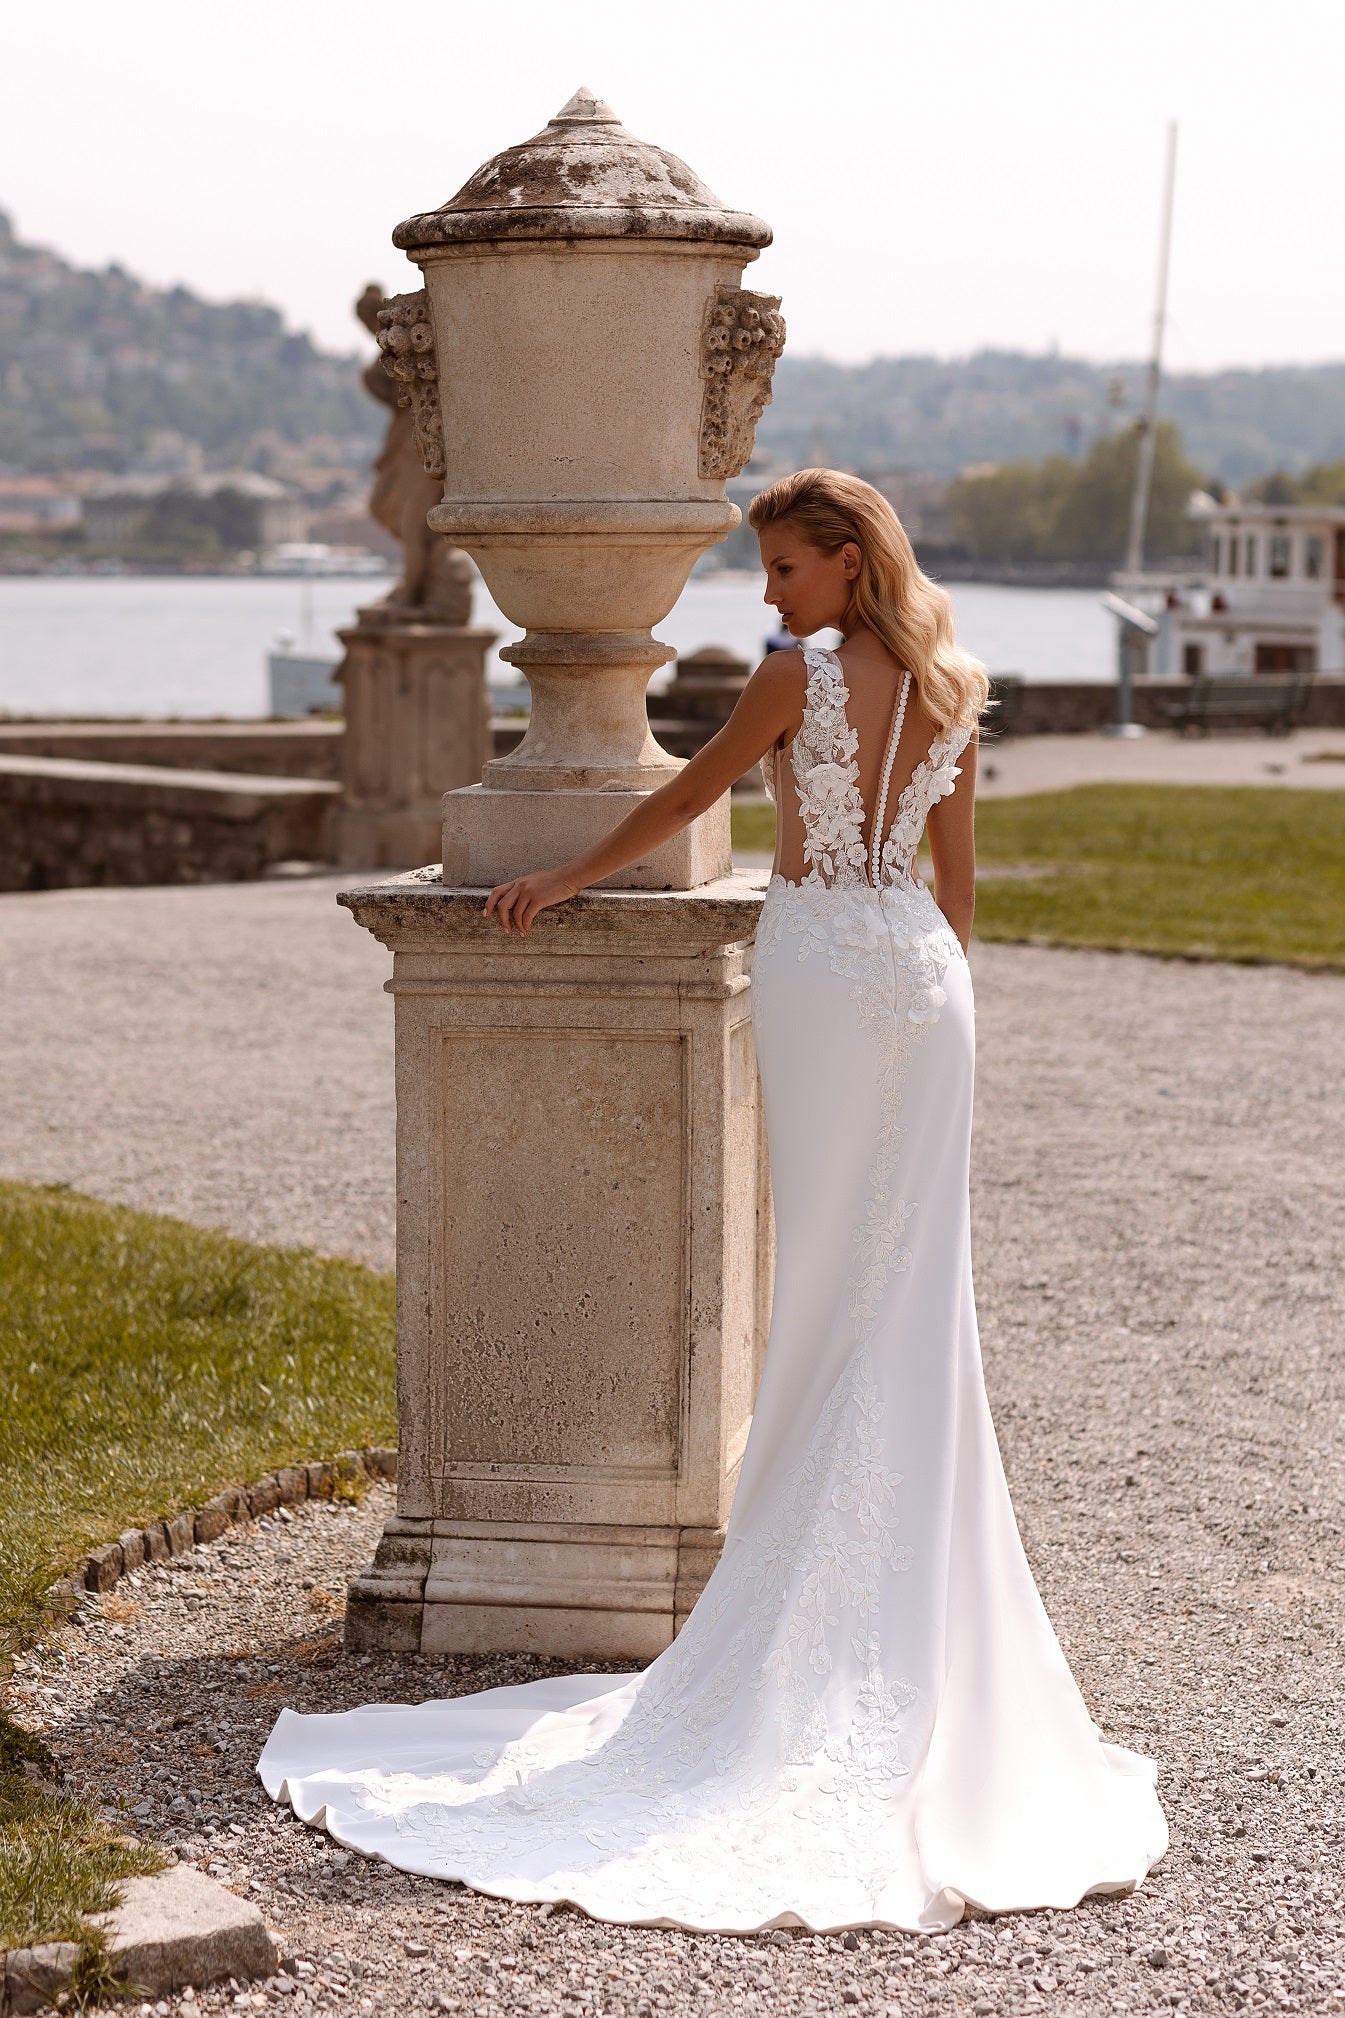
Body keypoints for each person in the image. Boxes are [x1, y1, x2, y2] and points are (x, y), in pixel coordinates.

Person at [259, 469, 1168, 1933]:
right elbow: (956, 886)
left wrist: (560, 876)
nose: (766, 593)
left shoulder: (796, 675)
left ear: (841, 561)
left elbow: (686, 795)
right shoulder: (949, 679)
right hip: (926, 991)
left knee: (825, 1285)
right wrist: (926, 987)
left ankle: (813, 1632)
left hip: (818, 964)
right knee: (910, 1297)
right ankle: (900, 1625)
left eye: (783, 567)